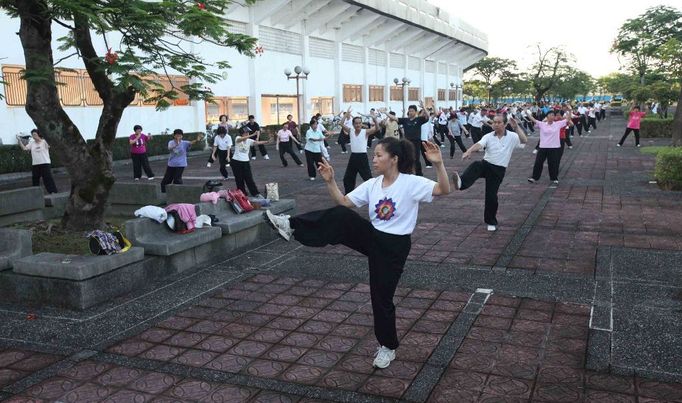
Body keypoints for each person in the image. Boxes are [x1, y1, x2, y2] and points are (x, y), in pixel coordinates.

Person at [265, 137, 450, 369]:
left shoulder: (410, 183)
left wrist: (439, 164)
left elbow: (443, 189)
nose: (374, 160)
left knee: (381, 299)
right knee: (341, 217)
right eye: (374, 155)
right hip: (373, 236)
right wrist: (330, 181)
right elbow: (343, 202)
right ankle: (291, 226)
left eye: (379, 155)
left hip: (394, 247)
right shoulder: (373, 184)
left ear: (394, 159)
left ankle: (388, 347)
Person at [452, 116, 528, 231]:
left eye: (499, 122)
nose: (496, 124)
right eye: (494, 122)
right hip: (486, 164)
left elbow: (524, 140)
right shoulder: (488, 136)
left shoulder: (512, 136)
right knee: (477, 165)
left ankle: (491, 221)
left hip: (498, 169)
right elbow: (479, 144)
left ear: (505, 124)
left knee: (491, 196)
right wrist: (469, 151)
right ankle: (461, 183)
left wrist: (516, 127)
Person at [340, 108, 381, 194]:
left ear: (362, 124)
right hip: (353, 157)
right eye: (356, 123)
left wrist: (374, 118)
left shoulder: (365, 132)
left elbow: (377, 128)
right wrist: (346, 114)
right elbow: (341, 123)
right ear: (353, 124)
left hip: (362, 157)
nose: (358, 125)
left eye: (359, 123)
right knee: (348, 178)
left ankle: (374, 193)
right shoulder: (350, 131)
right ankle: (349, 195)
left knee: (367, 178)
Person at [527, 110, 573, 185]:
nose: (552, 116)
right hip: (543, 147)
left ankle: (554, 178)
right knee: (538, 163)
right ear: (547, 116)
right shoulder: (542, 124)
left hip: (554, 147)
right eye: (550, 115)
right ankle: (534, 177)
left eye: (553, 115)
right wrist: (526, 113)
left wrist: (569, 111)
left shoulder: (558, 124)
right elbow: (533, 120)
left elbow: (568, 119)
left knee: (553, 163)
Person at [387, 101, 429, 176]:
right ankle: (406, 173)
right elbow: (395, 118)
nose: (410, 112)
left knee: (416, 159)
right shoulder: (405, 120)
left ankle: (419, 174)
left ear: (416, 112)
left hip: (416, 142)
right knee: (406, 157)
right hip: (407, 142)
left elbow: (427, 116)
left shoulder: (419, 119)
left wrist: (423, 107)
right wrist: (386, 113)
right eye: (409, 111)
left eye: (412, 111)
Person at [16, 129, 58, 194]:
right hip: (35, 164)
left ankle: (53, 191)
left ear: (39, 134)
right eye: (32, 135)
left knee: (47, 178)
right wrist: (19, 141)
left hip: (45, 163)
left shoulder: (44, 142)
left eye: (35, 134)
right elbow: (24, 148)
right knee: (35, 178)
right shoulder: (32, 143)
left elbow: (50, 145)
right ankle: (35, 193)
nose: (34, 136)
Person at [232, 129, 268, 196]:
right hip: (236, 162)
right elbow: (240, 139)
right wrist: (253, 135)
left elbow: (257, 143)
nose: (247, 134)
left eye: (248, 133)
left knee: (249, 178)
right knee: (239, 179)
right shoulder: (238, 138)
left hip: (246, 162)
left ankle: (255, 193)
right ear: (242, 133)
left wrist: (266, 141)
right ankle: (242, 193)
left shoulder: (249, 141)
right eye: (245, 133)